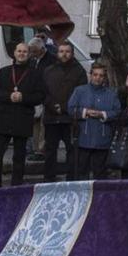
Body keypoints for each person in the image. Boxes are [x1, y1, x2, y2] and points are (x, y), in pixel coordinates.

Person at [0, 42, 46, 188]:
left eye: (25, 52)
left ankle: (16, 186)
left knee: (19, 157)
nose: (22, 54)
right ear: (14, 53)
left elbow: (40, 96)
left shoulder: (35, 74)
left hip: (23, 119)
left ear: (29, 54)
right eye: (19, 51)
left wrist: (23, 97)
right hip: (3, 119)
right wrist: (9, 96)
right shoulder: (4, 71)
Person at [68, 62, 122, 180]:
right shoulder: (80, 91)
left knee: (100, 173)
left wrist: (102, 114)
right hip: (83, 137)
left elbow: (117, 112)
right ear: (91, 75)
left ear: (104, 77)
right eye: (95, 75)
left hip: (102, 138)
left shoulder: (111, 94)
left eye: (101, 75)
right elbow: (71, 109)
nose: (98, 78)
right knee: (81, 171)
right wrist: (85, 112)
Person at [41, 42, 86, 182]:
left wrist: (66, 107)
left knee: (72, 151)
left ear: (72, 53)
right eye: (61, 51)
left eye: (67, 51)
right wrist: (53, 106)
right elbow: (42, 92)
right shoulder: (48, 70)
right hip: (51, 117)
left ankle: (71, 180)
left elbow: (82, 93)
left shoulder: (79, 71)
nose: (64, 54)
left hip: (70, 119)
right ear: (57, 53)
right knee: (50, 151)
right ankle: (48, 180)